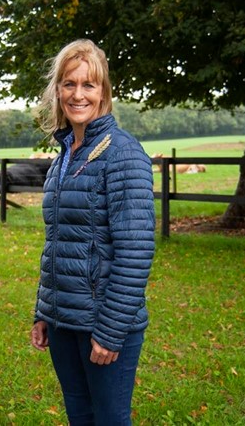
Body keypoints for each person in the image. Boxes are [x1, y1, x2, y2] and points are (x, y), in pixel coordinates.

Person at [30, 39, 156, 425]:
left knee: (110, 421)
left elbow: (135, 252)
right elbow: (58, 243)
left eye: (89, 85)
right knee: (80, 417)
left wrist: (111, 331)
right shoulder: (65, 156)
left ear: (104, 92)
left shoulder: (123, 154)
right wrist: (44, 311)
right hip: (64, 322)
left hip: (104, 324)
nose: (78, 94)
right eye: (69, 84)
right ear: (58, 91)